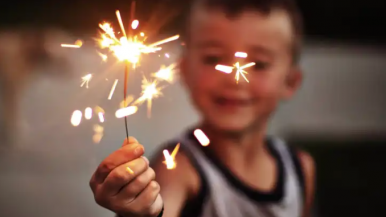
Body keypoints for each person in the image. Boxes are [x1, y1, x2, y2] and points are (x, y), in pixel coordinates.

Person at [89, 0, 316, 216]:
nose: (235, 78)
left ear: (290, 82)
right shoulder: (177, 169)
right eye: (214, 59)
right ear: (184, 71)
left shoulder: (300, 168)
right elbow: (158, 208)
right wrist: (138, 210)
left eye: (258, 64)